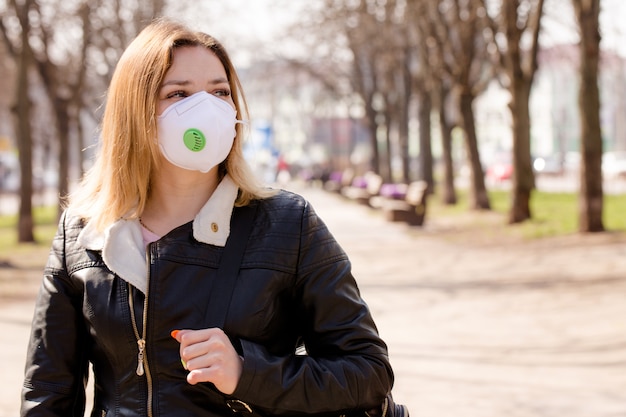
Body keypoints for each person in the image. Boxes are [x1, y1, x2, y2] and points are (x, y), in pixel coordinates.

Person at [21, 17, 403, 417]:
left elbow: (368, 372)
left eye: (220, 92)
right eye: (179, 93)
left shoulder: (289, 224)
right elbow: (47, 393)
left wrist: (247, 373)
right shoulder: (83, 231)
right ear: (135, 112)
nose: (204, 109)